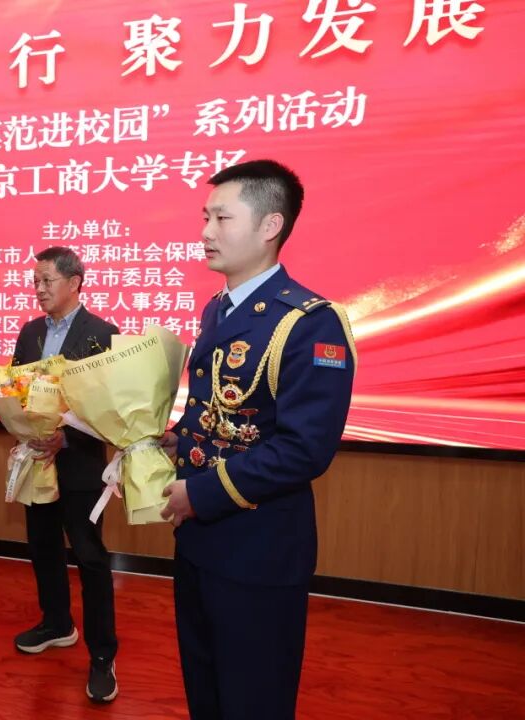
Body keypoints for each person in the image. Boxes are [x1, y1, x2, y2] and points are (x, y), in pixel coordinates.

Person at [160, 159, 356, 720]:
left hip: (258, 549)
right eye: (205, 217)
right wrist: (174, 443)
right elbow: (223, 414)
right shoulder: (218, 309)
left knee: (253, 699)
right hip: (198, 542)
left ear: (271, 225)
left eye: (222, 218)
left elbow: (303, 449)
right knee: (206, 692)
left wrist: (200, 493)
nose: (206, 231)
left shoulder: (309, 322)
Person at [10, 246, 120, 704]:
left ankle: (102, 656)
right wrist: (23, 423)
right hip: (37, 460)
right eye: (35, 281)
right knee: (43, 547)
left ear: (74, 282)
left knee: (90, 558)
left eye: (47, 280)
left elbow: (110, 408)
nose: (38, 289)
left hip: (80, 466)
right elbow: (15, 388)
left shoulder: (103, 334)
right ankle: (57, 623)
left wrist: (66, 438)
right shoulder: (30, 332)